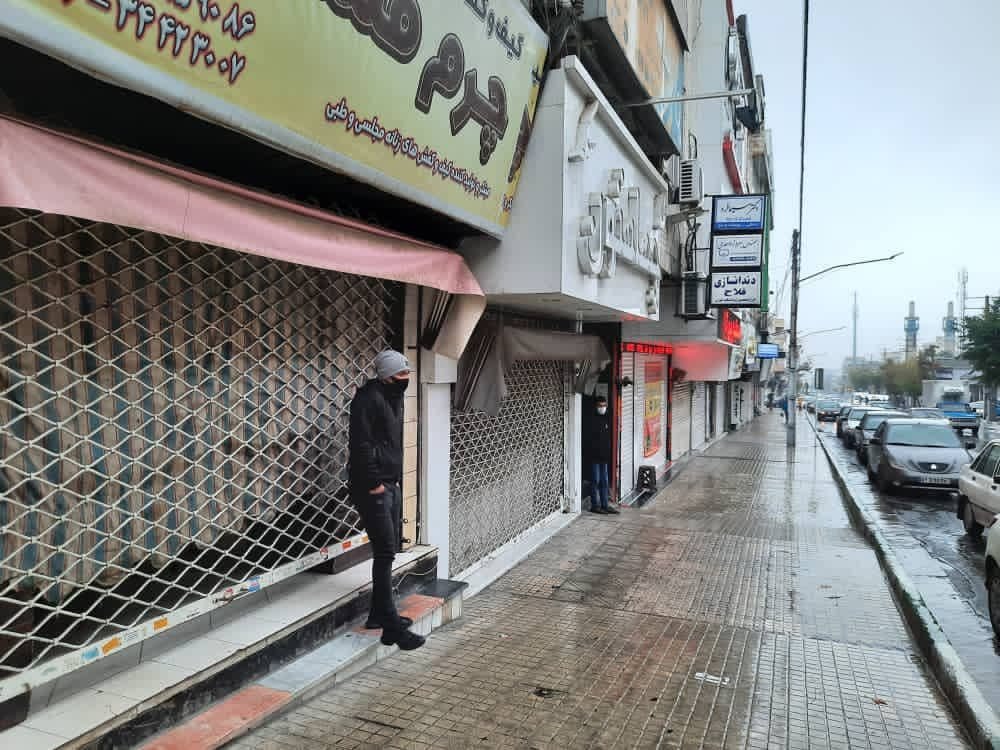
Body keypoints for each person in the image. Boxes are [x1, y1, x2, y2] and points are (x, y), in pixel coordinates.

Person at [348, 350, 424, 651]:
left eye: (407, 374)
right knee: (384, 552)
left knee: (388, 551)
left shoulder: (392, 396)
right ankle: (391, 628)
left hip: (389, 483)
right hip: (374, 487)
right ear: (386, 376)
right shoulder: (368, 399)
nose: (405, 379)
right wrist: (375, 484)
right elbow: (361, 445)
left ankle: (377, 616)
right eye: (400, 375)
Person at [586, 395, 619, 515]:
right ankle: (595, 505)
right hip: (594, 456)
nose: (602, 408)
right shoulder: (591, 420)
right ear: (596, 406)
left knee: (604, 481)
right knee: (595, 480)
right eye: (600, 405)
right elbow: (589, 439)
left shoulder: (607, 418)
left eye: (604, 405)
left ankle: (605, 505)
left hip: (604, 457)